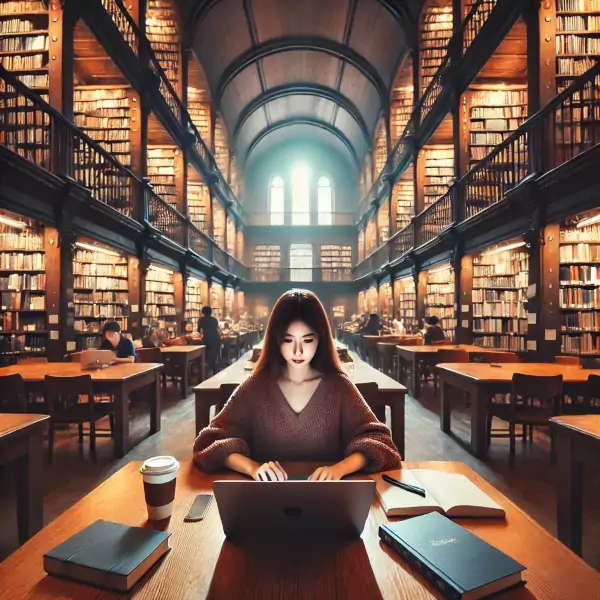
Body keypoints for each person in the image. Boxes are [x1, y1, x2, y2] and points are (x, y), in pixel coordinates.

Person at [193, 289, 401, 481]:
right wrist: (252, 468)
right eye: (288, 340)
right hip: (264, 499)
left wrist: (340, 468)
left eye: (308, 340)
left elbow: (380, 442)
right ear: (275, 340)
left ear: (321, 339)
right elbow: (209, 443)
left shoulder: (339, 386)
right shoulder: (256, 386)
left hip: (329, 499)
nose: (298, 351)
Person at [198, 305, 221, 375]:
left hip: (207, 338)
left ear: (203, 312)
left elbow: (198, 331)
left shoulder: (201, 320)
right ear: (211, 312)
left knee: (206, 355)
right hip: (216, 337)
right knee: (216, 354)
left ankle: (206, 371)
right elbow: (217, 328)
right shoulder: (214, 319)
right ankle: (215, 369)